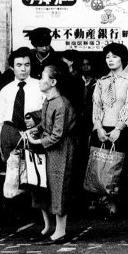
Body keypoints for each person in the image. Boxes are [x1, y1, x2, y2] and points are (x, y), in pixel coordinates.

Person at [23, 64, 77, 244]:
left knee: (58, 187)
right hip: (50, 149)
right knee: (45, 186)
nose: (39, 80)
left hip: (60, 150)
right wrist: (34, 131)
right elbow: (46, 125)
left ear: (53, 82)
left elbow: (57, 134)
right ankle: (49, 227)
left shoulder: (61, 103)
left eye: (43, 77)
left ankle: (60, 231)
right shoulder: (48, 100)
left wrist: (38, 141)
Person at [91, 43, 128, 217]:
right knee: (106, 167)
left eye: (114, 56)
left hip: (124, 129)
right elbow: (97, 106)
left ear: (123, 59)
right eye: (107, 57)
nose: (110, 60)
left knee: (125, 168)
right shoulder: (101, 81)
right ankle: (111, 206)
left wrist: (119, 127)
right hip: (103, 128)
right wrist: (98, 127)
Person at [0, 48, 46, 164]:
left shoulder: (40, 86)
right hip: (9, 133)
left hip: (32, 133)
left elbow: (48, 111)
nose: (23, 69)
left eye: (27, 65)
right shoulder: (6, 90)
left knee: (33, 174)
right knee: (11, 173)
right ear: (12, 67)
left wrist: (36, 120)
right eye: (19, 65)